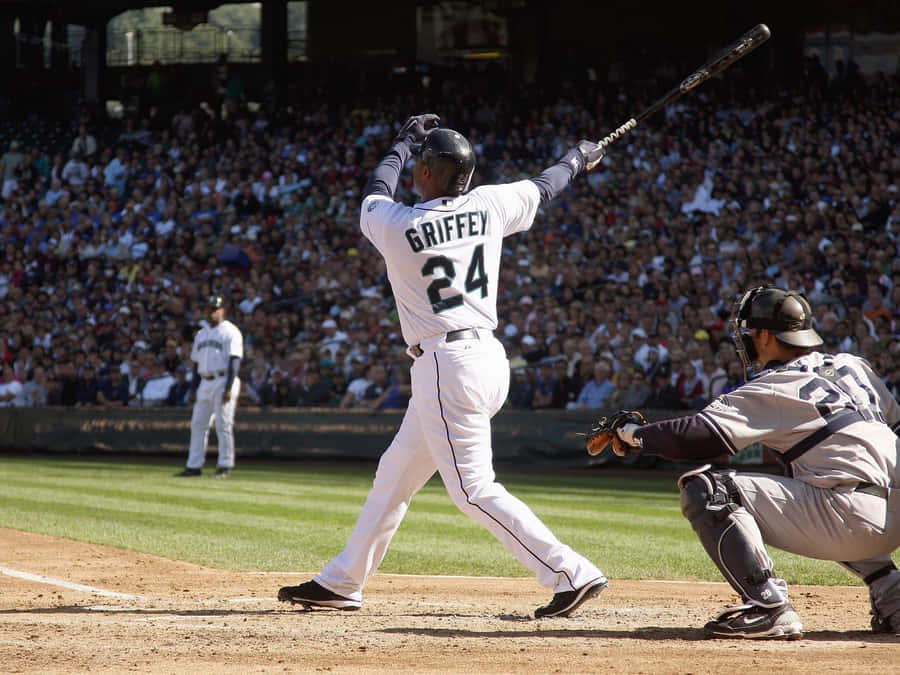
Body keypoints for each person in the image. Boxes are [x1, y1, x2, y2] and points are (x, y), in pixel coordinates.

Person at [277, 115, 608, 618]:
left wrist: (402, 142)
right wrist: (578, 159)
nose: (414, 172)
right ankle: (343, 580)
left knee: (473, 489)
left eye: (421, 165)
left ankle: (570, 572)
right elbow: (546, 186)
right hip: (486, 359)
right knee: (395, 473)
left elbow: (374, 190)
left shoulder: (401, 224)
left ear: (429, 172)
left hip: (445, 364)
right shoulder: (490, 203)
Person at [591, 286, 900, 639]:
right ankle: (893, 595)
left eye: (749, 333)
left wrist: (632, 433)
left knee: (708, 490)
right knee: (825, 478)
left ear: (766, 335)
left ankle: (768, 607)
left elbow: (697, 435)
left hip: (851, 518)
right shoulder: (851, 366)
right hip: (892, 512)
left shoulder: (776, 383)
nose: (746, 341)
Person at [177, 295, 243, 478]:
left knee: (223, 424)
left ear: (222, 311)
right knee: (198, 424)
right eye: (209, 308)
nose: (211, 312)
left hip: (223, 379)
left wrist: (229, 387)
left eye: (215, 309)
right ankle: (194, 466)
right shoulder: (201, 333)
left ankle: (225, 465)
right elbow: (197, 365)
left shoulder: (230, 331)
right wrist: (192, 389)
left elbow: (234, 361)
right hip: (204, 381)